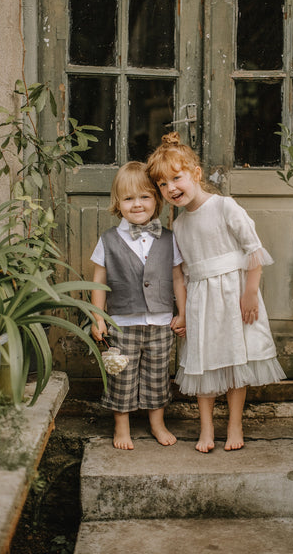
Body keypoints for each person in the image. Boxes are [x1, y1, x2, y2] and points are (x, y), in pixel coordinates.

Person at [147, 133, 286, 453]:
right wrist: (181, 312)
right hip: (200, 300)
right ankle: (206, 429)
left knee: (237, 360)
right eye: (162, 185)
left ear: (195, 173)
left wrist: (251, 292)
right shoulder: (179, 226)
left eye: (176, 178)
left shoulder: (225, 207)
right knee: (203, 362)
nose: (171, 189)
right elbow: (179, 276)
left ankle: (235, 424)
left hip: (235, 294)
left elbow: (254, 251)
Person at [90, 161, 186, 450]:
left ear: (156, 199)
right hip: (122, 322)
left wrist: (183, 313)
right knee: (122, 376)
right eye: (129, 198)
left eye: (144, 196)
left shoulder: (169, 238)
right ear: (118, 203)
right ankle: (122, 426)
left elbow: (178, 278)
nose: (137, 204)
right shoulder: (109, 239)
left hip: (160, 323)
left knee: (157, 375)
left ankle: (157, 423)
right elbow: (98, 280)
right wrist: (98, 318)